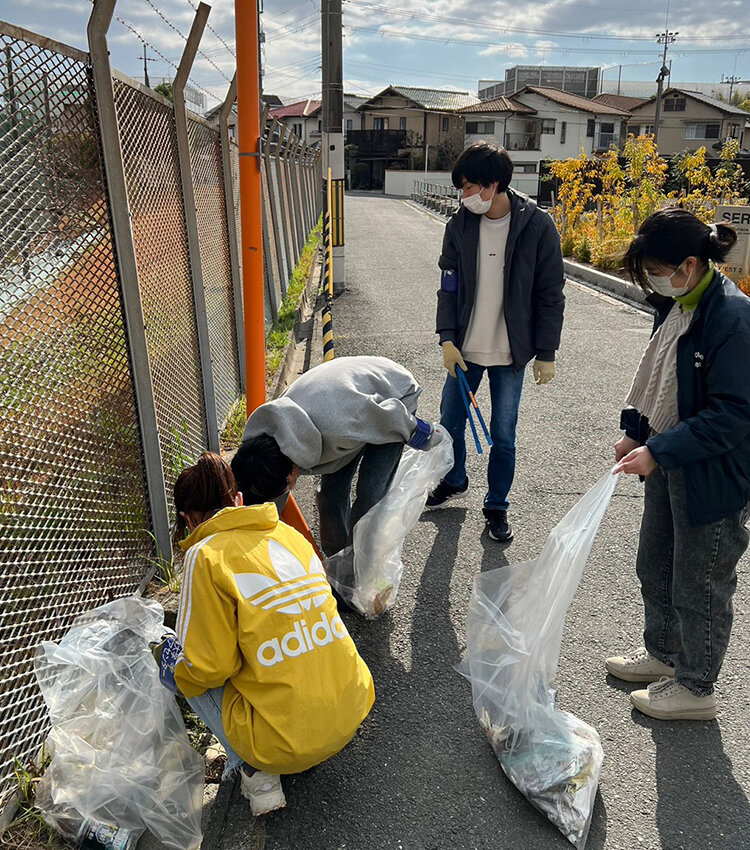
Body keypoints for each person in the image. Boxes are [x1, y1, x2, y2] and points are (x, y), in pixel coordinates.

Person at [152, 453, 375, 815]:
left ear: (187, 519)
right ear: (238, 501)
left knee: (180, 660)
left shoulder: (204, 555)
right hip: (350, 710)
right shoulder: (289, 535)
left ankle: (258, 772)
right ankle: (300, 739)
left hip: (284, 742)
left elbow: (208, 667)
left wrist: (172, 666)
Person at [607, 208, 750, 721]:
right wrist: (637, 434)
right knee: (656, 564)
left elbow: (732, 415)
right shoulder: (678, 304)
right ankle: (663, 655)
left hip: (712, 474)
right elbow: (662, 381)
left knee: (701, 582)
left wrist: (660, 450)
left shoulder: (732, 317)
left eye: (657, 269)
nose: (653, 280)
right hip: (670, 457)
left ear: (690, 264)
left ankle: (696, 686)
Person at [426, 141, 565, 543]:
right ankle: (455, 478)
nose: (463, 196)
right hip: (465, 350)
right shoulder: (460, 225)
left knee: (504, 433)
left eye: (468, 187)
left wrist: (547, 352)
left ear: (492, 185)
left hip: (510, 353)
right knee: (450, 423)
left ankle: (497, 505)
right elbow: (448, 287)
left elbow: (551, 292)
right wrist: (447, 339)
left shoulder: (537, 226)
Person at [231, 355, 436, 563]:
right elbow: (265, 497)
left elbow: (389, 414)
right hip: (343, 398)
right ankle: (337, 561)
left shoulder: (340, 428)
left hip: (391, 396)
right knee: (330, 493)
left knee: (371, 493)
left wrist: (420, 433)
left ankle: (363, 565)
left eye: (287, 487)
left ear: (293, 473)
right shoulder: (265, 439)